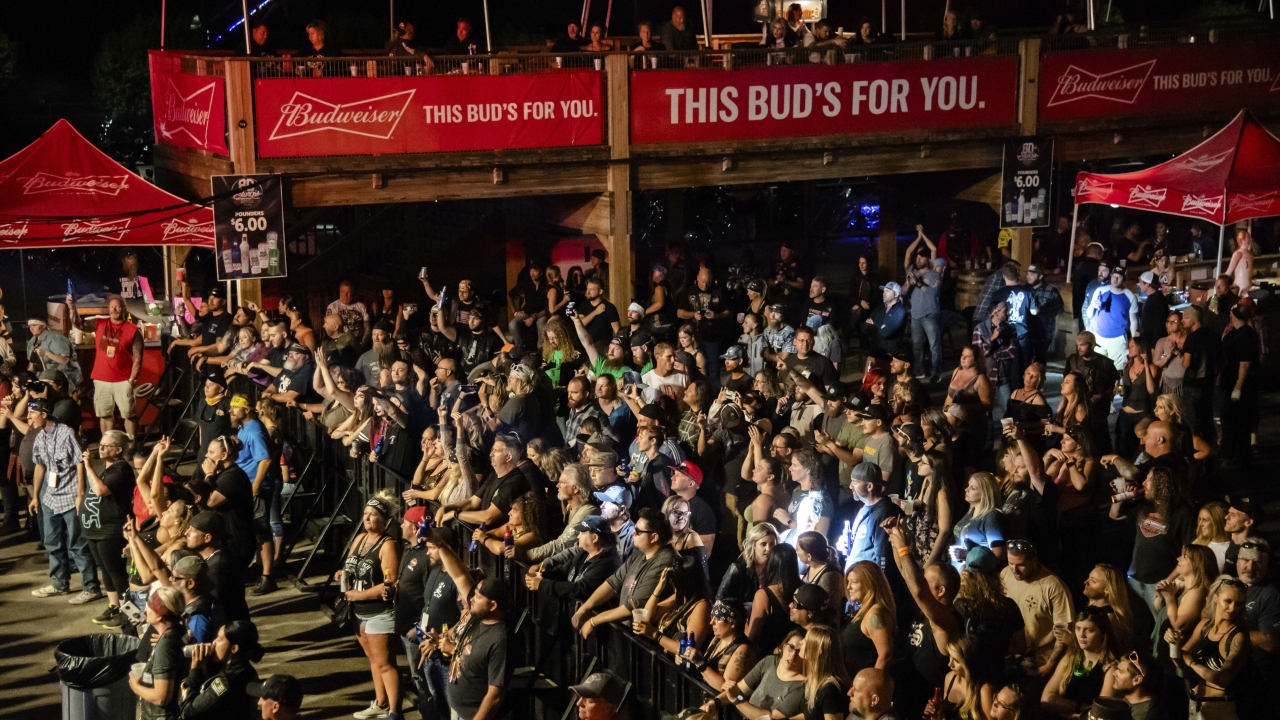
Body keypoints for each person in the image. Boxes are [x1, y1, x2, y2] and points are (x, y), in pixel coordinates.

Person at [28, 398, 101, 604]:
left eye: (32, 414)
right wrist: (35, 497)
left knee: (77, 544)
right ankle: (59, 583)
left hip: (70, 497)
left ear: (43, 414)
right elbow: (40, 466)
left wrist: (80, 494)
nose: (29, 418)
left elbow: (80, 462)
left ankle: (91, 587)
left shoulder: (66, 433)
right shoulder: (40, 437)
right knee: (52, 542)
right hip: (50, 498)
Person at [338, 493, 402, 720]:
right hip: (358, 612)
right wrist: (343, 574)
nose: (367, 518)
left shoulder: (388, 545)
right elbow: (352, 566)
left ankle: (395, 711)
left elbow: (390, 582)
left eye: (373, 515)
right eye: (365, 514)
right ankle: (381, 703)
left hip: (379, 612)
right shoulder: (359, 539)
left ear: (384, 520)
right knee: (374, 660)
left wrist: (361, 594)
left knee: (385, 663)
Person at [573, 508, 677, 636]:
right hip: (626, 631)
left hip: (644, 639)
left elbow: (632, 608)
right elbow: (612, 583)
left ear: (654, 537)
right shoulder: (639, 553)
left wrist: (593, 621)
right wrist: (584, 609)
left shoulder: (665, 561)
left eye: (638, 531)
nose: (633, 532)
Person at [1165, 576, 1250, 715]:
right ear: (1216, 598)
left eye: (1238, 604)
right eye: (1228, 601)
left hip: (1221, 707)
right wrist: (1174, 644)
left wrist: (1192, 663)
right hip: (1196, 703)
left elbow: (1222, 679)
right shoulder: (1204, 626)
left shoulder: (1238, 637)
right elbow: (1180, 662)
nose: (1232, 608)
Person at [67, 292, 143, 437]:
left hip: (123, 380)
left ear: (123, 309)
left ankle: (132, 445)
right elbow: (78, 324)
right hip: (101, 379)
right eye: (111, 307)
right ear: (108, 309)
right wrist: (72, 307)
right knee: (105, 414)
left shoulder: (133, 330)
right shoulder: (100, 323)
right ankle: (108, 445)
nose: (114, 309)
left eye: (117, 307)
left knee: (129, 415)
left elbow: (138, 358)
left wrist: (132, 380)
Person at [79, 429, 135, 624]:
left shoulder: (121, 468)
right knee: (105, 570)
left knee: (116, 572)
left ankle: (129, 614)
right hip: (95, 528)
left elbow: (101, 490)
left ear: (118, 449)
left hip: (110, 530)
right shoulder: (106, 467)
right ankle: (114, 606)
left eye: (106, 445)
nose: (100, 448)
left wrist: (88, 466)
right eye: (100, 444)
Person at [1002, 540, 1075, 680]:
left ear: (1034, 561)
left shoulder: (1053, 586)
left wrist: (1050, 665)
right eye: (1011, 563)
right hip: (1012, 655)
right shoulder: (1005, 574)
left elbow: (1065, 631)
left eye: (1021, 565)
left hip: (1038, 659)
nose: (1014, 570)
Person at [710, 629, 805, 720]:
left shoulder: (801, 686)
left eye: (799, 651)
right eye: (791, 647)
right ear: (784, 646)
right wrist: (714, 702)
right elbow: (739, 692)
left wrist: (738, 700)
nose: (793, 655)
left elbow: (770, 718)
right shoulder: (769, 662)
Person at [1041, 608, 1119, 718]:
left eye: (1089, 630)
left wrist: (1065, 707)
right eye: (1078, 628)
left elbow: (1101, 713)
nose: (1081, 635)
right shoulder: (1070, 658)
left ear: (1102, 633)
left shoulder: (1110, 669)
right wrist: (1080, 707)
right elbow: (1046, 698)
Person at [178, 620, 265, 719]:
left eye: (219, 639)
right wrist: (205, 669)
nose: (213, 643)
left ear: (234, 648)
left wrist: (194, 670)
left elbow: (187, 711)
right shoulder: (249, 671)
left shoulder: (225, 682)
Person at [129, 586, 187, 719]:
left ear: (159, 615)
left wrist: (135, 685)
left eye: (149, 605)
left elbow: (161, 698)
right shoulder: (180, 630)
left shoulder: (165, 646)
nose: (145, 609)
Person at [184, 511, 250, 623]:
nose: (186, 533)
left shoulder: (217, 566)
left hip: (228, 633)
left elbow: (216, 607)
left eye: (192, 530)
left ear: (207, 538)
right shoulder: (217, 559)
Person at [1219, 302, 1260, 468]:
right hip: (1230, 381)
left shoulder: (1245, 335)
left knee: (1237, 420)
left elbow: (1245, 363)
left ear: (1235, 315)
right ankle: (1235, 454)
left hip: (1240, 384)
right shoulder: (1235, 332)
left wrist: (1238, 386)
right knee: (1230, 419)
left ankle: (1238, 456)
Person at [842, 560, 896, 676]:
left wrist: (871, 686)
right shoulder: (865, 610)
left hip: (867, 687)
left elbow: (885, 655)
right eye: (848, 582)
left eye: (854, 582)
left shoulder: (875, 614)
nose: (848, 587)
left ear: (869, 583)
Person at [1086, 267, 1139, 370]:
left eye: (1119, 277)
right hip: (1099, 337)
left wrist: (1134, 340)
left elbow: (1134, 320)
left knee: (1117, 370)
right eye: (1114, 276)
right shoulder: (1100, 291)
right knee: (1097, 369)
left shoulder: (1130, 296)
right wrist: (1092, 306)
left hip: (1118, 339)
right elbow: (1089, 314)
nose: (1115, 279)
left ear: (1124, 279)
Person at [1101, 652, 1163, 720]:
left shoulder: (1150, 712)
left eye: (1120, 671)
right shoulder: (1123, 701)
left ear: (1136, 680)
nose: (1114, 673)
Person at [25, 316, 83, 389]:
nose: (31, 328)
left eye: (34, 325)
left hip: (58, 378)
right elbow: (32, 362)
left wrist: (46, 353)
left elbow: (64, 360)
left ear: (43, 326)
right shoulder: (32, 341)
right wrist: (28, 375)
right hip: (41, 376)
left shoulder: (54, 339)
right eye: (30, 326)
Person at [864, 283, 907, 355]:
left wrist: (874, 325)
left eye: (887, 291)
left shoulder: (900, 311)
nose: (883, 294)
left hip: (890, 353)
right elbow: (864, 328)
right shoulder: (879, 309)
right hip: (874, 351)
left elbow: (885, 333)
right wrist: (881, 326)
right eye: (883, 291)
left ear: (896, 294)